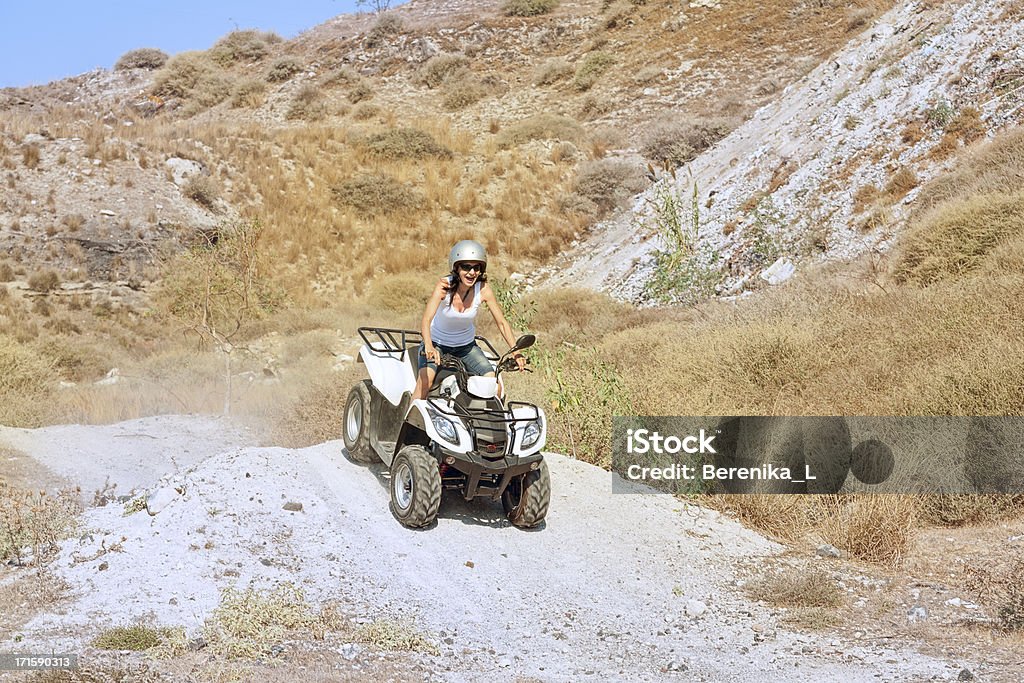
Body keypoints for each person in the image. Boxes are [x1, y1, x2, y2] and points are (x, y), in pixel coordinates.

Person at [414, 240, 527, 400]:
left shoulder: (483, 289)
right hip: (437, 344)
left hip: (466, 347)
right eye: (466, 266)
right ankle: (405, 423)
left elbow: (501, 323)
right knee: (426, 382)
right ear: (457, 268)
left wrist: (516, 352)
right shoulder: (444, 286)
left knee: (494, 385)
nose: (472, 272)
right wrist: (429, 346)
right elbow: (426, 320)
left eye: (477, 268)